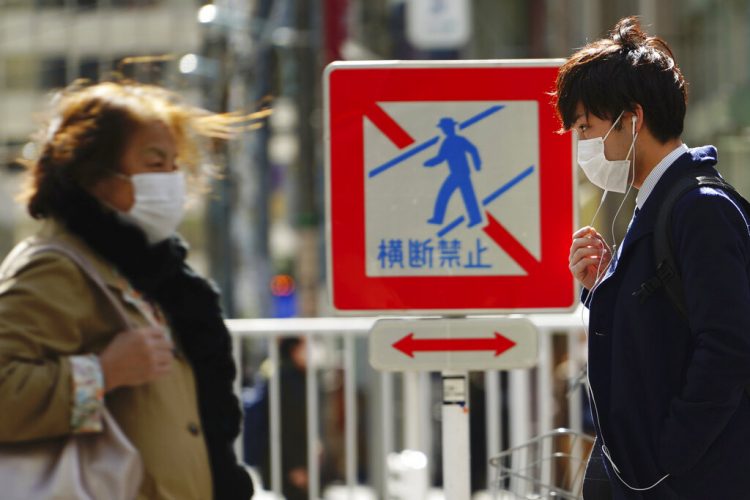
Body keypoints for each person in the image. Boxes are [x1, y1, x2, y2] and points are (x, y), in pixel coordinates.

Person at [0, 80, 256, 499]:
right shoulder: (54, 267)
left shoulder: (149, 275)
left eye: (175, 164)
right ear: (93, 174)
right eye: (155, 163)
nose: (172, 180)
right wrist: (101, 373)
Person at [555, 17, 750, 499]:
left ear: (633, 118)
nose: (583, 144)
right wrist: (601, 284)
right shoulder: (662, 205)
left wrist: (670, 455)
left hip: (692, 480)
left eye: (588, 126)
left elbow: (727, 346)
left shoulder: (699, 208)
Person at [424, 116, 483, 227]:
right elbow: (441, 157)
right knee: (467, 196)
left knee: (445, 194)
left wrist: (477, 164)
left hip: (459, 174)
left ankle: (438, 219)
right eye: (443, 128)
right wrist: (430, 162)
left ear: (450, 128)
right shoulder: (450, 142)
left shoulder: (456, 140)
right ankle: (475, 219)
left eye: (444, 128)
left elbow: (473, 149)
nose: (444, 130)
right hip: (460, 173)